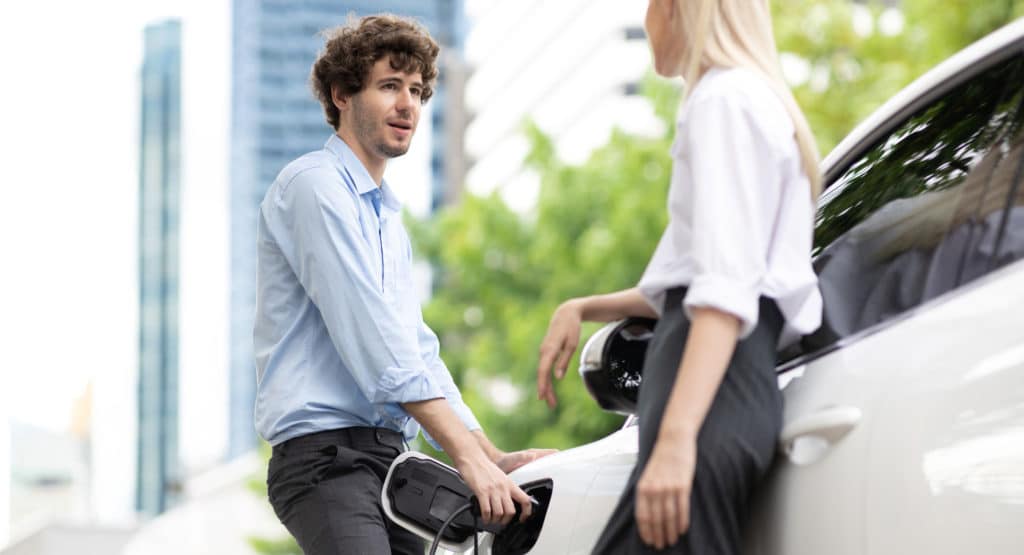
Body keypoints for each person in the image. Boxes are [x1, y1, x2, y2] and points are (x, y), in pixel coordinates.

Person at [254, 14, 553, 555]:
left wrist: (492, 456)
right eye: (389, 86)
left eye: (416, 90)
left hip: (392, 461)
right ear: (342, 94)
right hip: (326, 463)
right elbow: (378, 346)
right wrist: (465, 458)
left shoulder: (388, 218)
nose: (407, 104)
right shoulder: (313, 187)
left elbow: (416, 348)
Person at [536, 1, 823, 553]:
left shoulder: (722, 102)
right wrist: (583, 306)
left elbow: (723, 292)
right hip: (719, 400)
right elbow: (693, 282)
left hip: (708, 406)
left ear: (675, 8)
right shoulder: (744, 100)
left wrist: (675, 439)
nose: (646, 20)